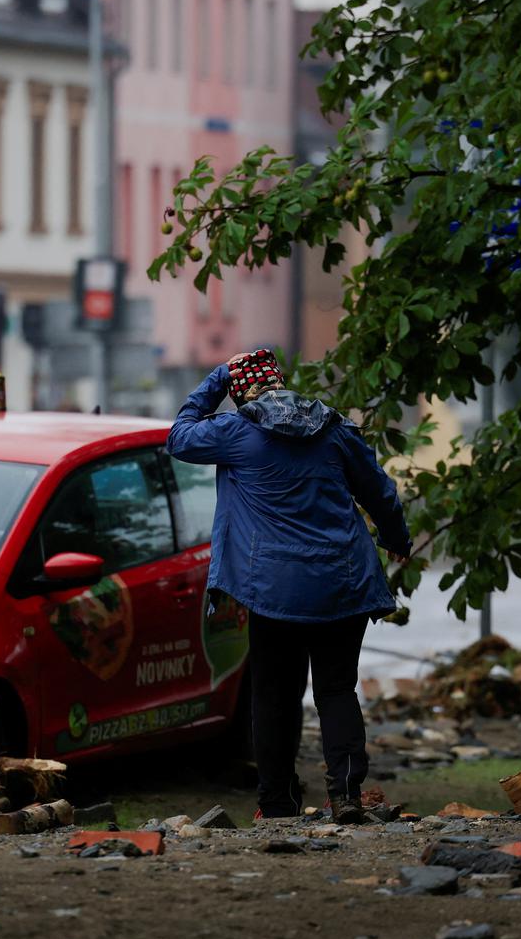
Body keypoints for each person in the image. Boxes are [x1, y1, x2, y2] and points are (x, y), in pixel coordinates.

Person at [167, 348, 411, 824]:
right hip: (342, 583)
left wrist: (219, 376)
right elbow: (379, 489)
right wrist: (396, 537)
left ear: (241, 391)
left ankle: (277, 804)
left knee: (273, 696)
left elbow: (179, 436)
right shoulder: (335, 428)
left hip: (275, 591)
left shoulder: (236, 432)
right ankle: (345, 796)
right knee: (337, 689)